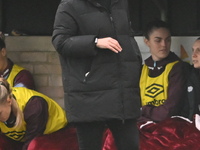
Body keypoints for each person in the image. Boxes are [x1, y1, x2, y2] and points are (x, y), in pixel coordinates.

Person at [52, 0, 142, 150]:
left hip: (122, 93)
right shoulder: (69, 5)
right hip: (88, 94)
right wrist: (94, 42)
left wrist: (135, 58)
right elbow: (60, 41)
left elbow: (127, 35)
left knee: (131, 145)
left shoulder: (120, 3)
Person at [138, 19, 188, 123]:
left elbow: (168, 112)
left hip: (169, 129)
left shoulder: (177, 68)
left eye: (168, 40)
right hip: (143, 124)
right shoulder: (142, 69)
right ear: (147, 42)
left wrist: (143, 110)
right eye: (158, 40)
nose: (164, 45)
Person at [0, 77, 67, 150]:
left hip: (57, 134)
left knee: (33, 146)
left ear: (9, 101)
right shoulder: (4, 107)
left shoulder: (34, 106)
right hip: (23, 138)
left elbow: (31, 141)